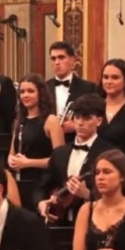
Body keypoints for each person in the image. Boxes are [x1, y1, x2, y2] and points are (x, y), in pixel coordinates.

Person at [34, 93, 114, 226]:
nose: (80, 123)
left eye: (87, 118)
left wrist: (88, 195)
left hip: (95, 225)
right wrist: (41, 202)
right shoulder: (60, 153)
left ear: (99, 121)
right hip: (59, 223)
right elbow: (41, 187)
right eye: (77, 117)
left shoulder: (109, 154)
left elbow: (117, 194)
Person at [8, 73, 65, 195]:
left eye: (30, 91)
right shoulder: (18, 121)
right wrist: (11, 160)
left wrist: (28, 162)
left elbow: (60, 160)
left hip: (42, 184)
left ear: (41, 93)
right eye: (22, 92)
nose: (25, 95)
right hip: (20, 183)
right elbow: (11, 153)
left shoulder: (51, 121)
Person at [46, 41, 97, 143]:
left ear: (73, 60)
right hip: (47, 145)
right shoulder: (44, 87)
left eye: (61, 57)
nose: (57, 62)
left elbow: (96, 119)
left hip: (77, 143)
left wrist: (75, 126)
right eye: (53, 58)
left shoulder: (88, 88)